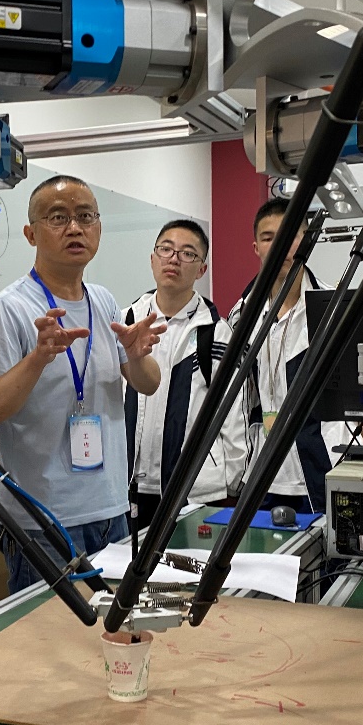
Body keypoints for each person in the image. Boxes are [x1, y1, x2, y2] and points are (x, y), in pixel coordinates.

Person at [0, 175, 165, 593]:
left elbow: (148, 383)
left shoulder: (103, 301)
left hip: (111, 510)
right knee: (52, 633)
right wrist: (37, 359)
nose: (75, 228)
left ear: (99, 228)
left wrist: (135, 355)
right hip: (44, 521)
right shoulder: (9, 309)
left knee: (112, 626)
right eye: (58, 217)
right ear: (30, 234)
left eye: (85, 217)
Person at [229, 197, 363, 515]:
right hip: (263, 475)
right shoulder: (241, 315)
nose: (281, 247)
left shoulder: (335, 308)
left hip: (326, 466)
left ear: (308, 241)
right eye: (269, 238)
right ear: (256, 247)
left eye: (291, 237)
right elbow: (240, 402)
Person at [122, 219, 247, 528]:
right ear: (153, 259)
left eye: (188, 253)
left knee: (185, 561)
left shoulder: (215, 332)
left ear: (201, 269)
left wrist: (232, 482)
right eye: (166, 249)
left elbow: (233, 414)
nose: (174, 259)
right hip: (128, 488)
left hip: (196, 491)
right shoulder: (126, 322)